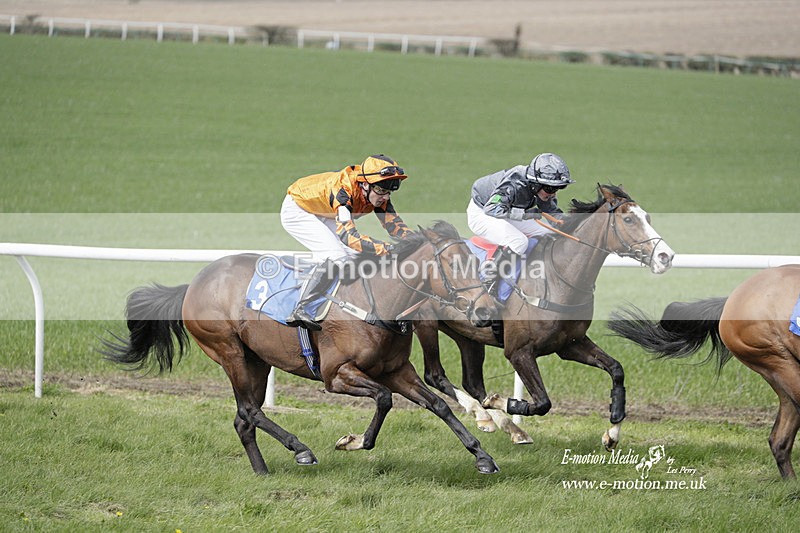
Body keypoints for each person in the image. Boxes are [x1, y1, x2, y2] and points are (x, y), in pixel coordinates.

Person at [280, 154, 412, 330]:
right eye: (381, 191)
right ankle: (302, 308)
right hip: (298, 210)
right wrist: (386, 249)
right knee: (336, 256)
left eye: (389, 192)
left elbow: (394, 225)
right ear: (365, 184)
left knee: (355, 256)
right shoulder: (344, 192)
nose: (385, 197)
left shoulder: (376, 191)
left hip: (323, 210)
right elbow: (348, 237)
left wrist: (419, 241)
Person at [467, 152, 575, 297]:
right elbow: (492, 209)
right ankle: (489, 278)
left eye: (558, 188)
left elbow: (553, 213)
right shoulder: (514, 183)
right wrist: (525, 214)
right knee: (519, 241)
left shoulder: (540, 188)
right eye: (550, 189)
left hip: (506, 210)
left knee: (548, 233)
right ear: (536, 184)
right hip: (482, 212)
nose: (553, 193)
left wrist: (572, 227)